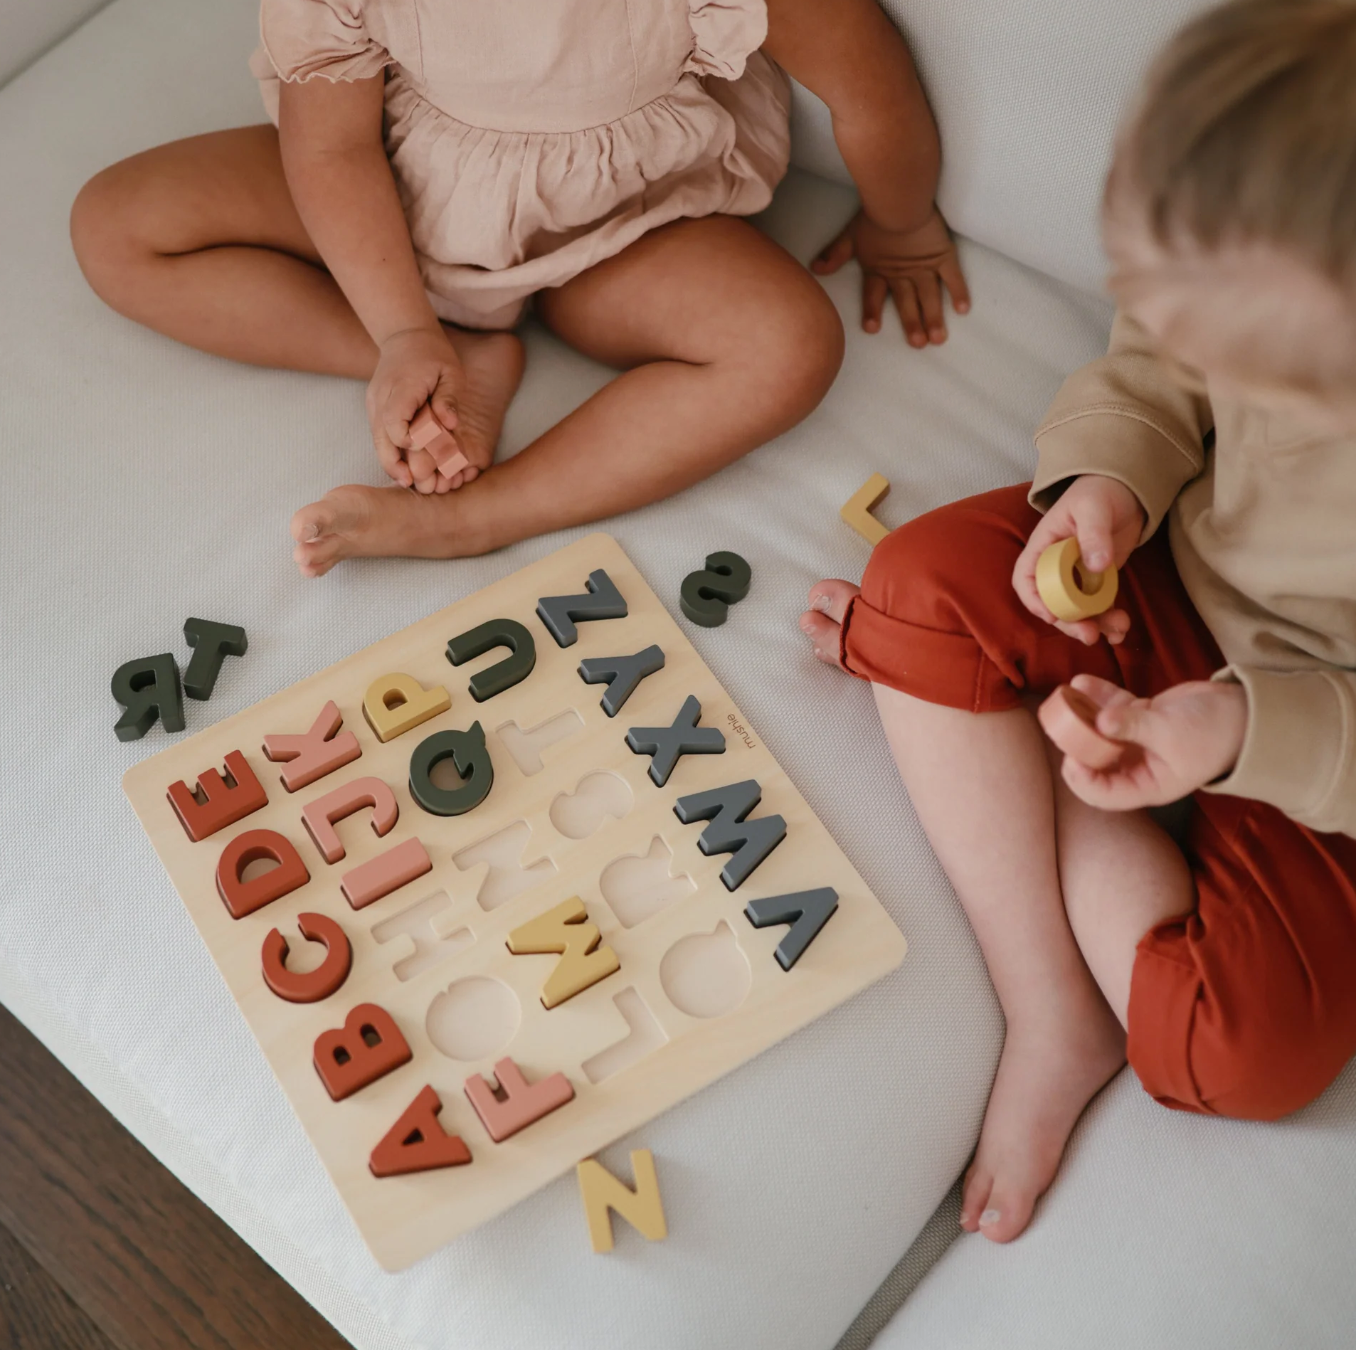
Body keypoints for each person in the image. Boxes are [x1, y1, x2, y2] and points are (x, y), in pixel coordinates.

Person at [801, 0, 1356, 1243]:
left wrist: (1235, 735)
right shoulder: (1289, 143)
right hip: (1175, 584)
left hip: (1327, 758)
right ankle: (1050, 1004)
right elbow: (1159, 367)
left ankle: (1045, 761)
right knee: (920, 586)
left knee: (1240, 1052)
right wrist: (1108, 485)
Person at [70, 0, 968, 575]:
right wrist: (399, 334)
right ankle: (451, 357)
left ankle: (478, 518)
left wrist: (902, 221)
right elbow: (332, 148)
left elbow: (870, 86)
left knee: (789, 346)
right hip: (393, 198)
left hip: (617, 230)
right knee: (116, 226)